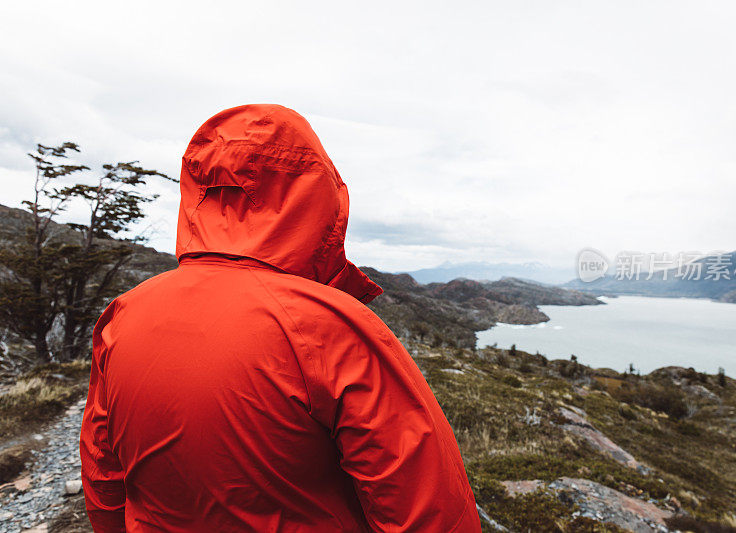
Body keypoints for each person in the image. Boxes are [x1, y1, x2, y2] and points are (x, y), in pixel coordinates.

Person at [79, 104, 481, 532]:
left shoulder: (124, 314)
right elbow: (427, 510)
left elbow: (103, 474)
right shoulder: (331, 325)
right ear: (320, 197)